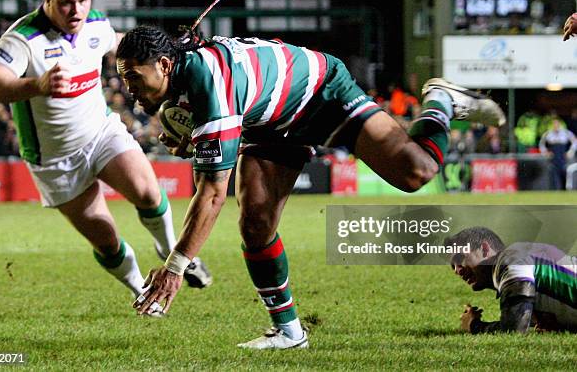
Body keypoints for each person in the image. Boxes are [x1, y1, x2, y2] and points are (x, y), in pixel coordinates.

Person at [116, 25, 505, 348]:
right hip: (269, 119)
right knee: (256, 222)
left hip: (320, 92)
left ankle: (441, 99)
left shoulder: (208, 84)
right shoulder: (184, 75)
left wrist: (175, 268)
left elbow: (213, 192)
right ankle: (288, 331)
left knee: (416, 173)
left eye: (134, 75)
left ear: (165, 64)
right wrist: (199, 141)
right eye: (123, 76)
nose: (128, 86)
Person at [0, 0, 211, 311]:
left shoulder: (96, 22)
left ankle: (171, 249)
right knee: (107, 240)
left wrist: (167, 50)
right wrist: (36, 84)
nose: (77, 11)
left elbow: (115, 43)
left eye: (83, 1)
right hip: (54, 158)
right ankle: (141, 292)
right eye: (67, 3)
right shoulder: (23, 37)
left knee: (148, 192)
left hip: (100, 134)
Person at [445, 226, 577, 333]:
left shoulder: (509, 261)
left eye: (460, 259)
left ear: (485, 249)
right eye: (453, 266)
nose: (458, 270)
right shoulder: (519, 257)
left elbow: (514, 327)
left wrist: (474, 325)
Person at [538, 118, 577, 190]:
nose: (555, 125)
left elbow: (575, 141)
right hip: (554, 155)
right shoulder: (548, 133)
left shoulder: (566, 132)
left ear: (559, 124)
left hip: (562, 155)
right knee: (554, 172)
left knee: (564, 171)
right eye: (554, 124)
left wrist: (570, 151)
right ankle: (555, 189)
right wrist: (545, 152)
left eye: (557, 124)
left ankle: (565, 189)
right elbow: (541, 144)